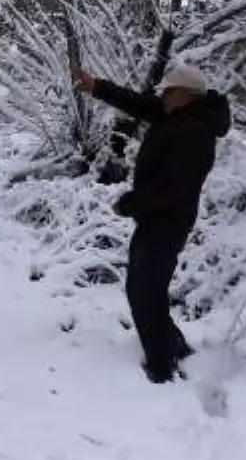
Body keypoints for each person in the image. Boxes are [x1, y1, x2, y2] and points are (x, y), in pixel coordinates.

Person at [73, 63, 231, 383]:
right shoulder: (177, 115)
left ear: (186, 94)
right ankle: (175, 347)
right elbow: (140, 103)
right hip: (155, 218)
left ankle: (161, 367)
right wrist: (97, 87)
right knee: (146, 289)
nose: (163, 97)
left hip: (168, 221)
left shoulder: (195, 132)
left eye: (169, 92)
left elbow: (176, 186)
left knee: (144, 292)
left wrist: (133, 202)